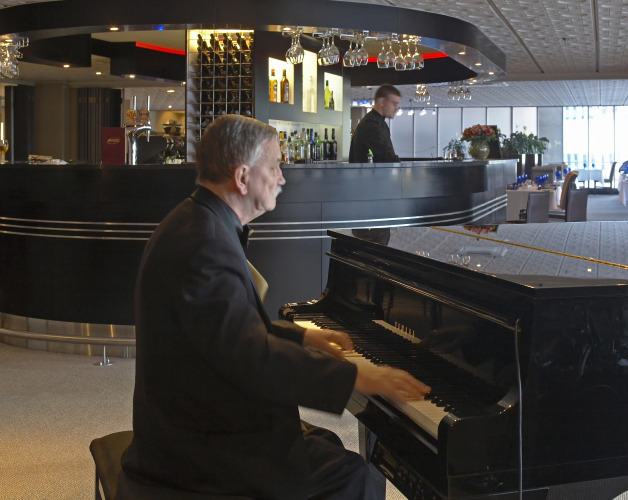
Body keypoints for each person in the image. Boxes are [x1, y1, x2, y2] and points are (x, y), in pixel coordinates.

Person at [121, 115, 430, 499]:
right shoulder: (205, 243)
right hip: (196, 450)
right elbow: (250, 356)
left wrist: (303, 337)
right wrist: (356, 378)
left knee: (328, 446)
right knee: (355, 475)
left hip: (191, 417)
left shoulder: (199, 221)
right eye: (274, 166)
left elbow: (228, 331)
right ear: (242, 177)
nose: (282, 178)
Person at [348, 84, 401, 163]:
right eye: (394, 104)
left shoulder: (377, 122)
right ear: (382, 101)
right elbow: (387, 158)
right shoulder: (371, 124)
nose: (397, 108)